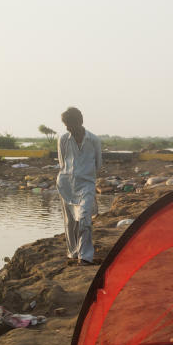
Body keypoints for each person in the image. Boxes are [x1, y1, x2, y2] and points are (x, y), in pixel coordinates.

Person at [57, 107, 102, 265]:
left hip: (86, 185)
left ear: (80, 122)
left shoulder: (94, 140)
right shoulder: (63, 139)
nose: (68, 127)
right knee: (70, 222)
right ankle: (73, 251)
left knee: (84, 219)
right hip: (66, 184)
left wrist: (84, 174)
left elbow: (98, 164)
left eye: (70, 123)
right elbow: (63, 163)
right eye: (66, 124)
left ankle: (85, 256)